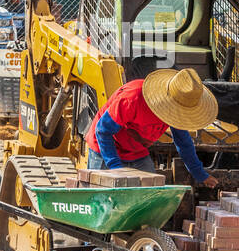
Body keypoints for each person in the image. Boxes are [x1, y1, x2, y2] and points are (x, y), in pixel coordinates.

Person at [86, 68, 219, 189]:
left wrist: (200, 174)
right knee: (101, 199)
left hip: (136, 152)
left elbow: (184, 143)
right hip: (104, 149)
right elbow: (103, 131)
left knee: (151, 194)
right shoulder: (133, 98)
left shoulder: (177, 113)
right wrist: (116, 168)